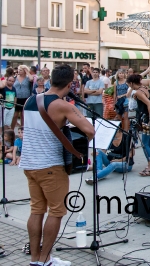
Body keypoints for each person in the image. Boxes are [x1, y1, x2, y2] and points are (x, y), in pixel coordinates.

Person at [19, 64, 94, 266]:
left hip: (29, 164)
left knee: (36, 210)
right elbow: (90, 130)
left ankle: (35, 259)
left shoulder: (29, 100)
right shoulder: (63, 105)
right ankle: (45, 260)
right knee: (56, 212)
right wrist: (78, 146)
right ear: (70, 84)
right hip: (51, 166)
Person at [126, 74, 150, 176]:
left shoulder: (139, 92)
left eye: (129, 84)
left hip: (147, 119)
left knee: (145, 144)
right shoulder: (145, 88)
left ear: (132, 83)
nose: (130, 87)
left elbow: (149, 104)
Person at [12, 65, 33, 129]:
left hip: (25, 98)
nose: (19, 71)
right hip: (16, 98)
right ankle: (12, 129)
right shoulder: (15, 77)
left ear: (24, 71)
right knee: (15, 115)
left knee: (23, 115)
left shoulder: (27, 78)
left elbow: (32, 79)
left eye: (20, 70)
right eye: (18, 70)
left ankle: (22, 129)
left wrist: (27, 71)